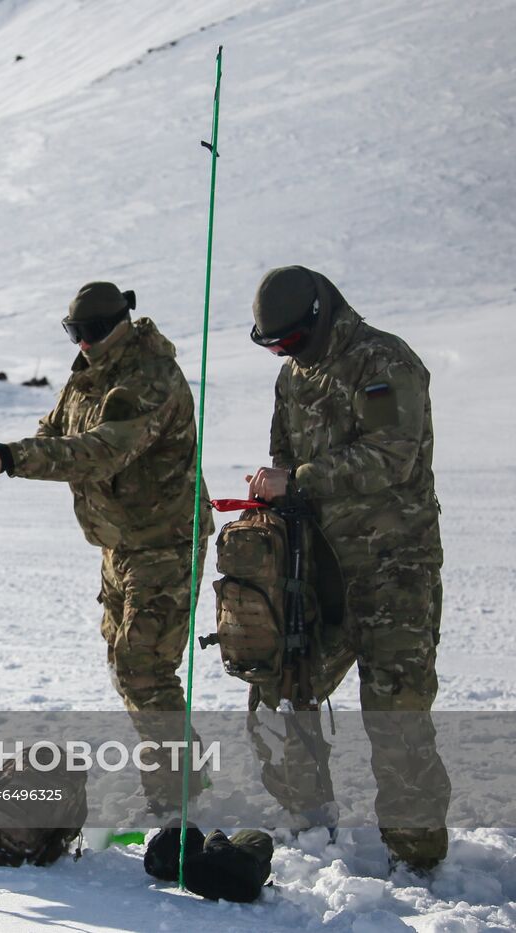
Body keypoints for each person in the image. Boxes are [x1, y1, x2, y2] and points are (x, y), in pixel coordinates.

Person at [0, 281, 211, 813]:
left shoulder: (150, 378)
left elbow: (102, 452)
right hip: (119, 544)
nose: (82, 343)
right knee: (127, 667)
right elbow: (56, 433)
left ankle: (181, 799)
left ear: (120, 324)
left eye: (91, 332)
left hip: (166, 541)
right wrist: (11, 453)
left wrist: (16, 458)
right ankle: (181, 783)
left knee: (144, 666)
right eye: (73, 333)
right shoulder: (87, 376)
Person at [243, 265, 449, 872]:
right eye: (272, 346)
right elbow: (284, 457)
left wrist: (299, 481)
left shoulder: (384, 361)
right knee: (282, 690)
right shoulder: (291, 378)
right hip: (317, 568)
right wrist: (268, 501)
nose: (283, 354)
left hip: (394, 568)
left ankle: (418, 862)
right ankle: (307, 827)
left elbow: (393, 453)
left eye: (289, 342)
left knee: (396, 712)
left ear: (318, 318)